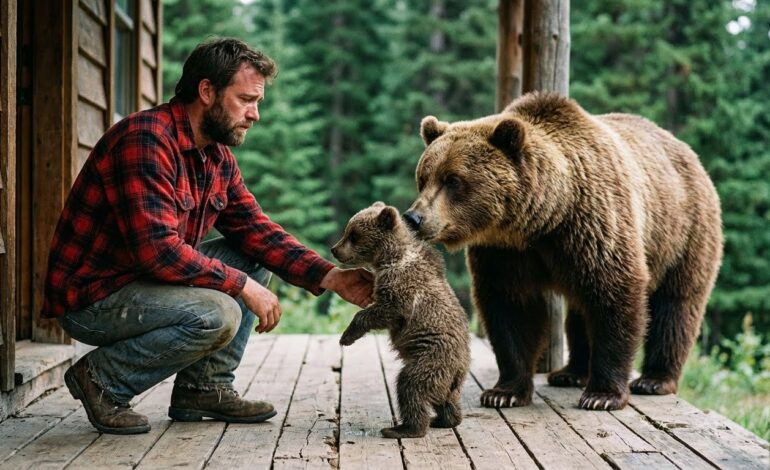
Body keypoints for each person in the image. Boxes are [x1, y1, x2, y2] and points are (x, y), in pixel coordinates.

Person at [40, 38, 374, 435]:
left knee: (250, 255)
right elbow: (158, 252)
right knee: (219, 312)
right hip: (93, 298)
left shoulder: (216, 157)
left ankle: (204, 389)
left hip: (141, 283)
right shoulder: (145, 140)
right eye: (247, 99)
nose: (255, 114)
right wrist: (241, 286)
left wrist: (330, 276)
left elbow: (256, 231)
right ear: (206, 91)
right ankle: (101, 381)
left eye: (259, 102)